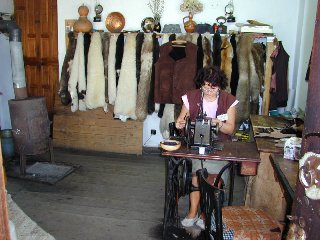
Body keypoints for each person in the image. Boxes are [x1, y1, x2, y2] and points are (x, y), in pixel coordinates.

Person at [175, 66, 238, 229]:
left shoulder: (228, 100)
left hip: (220, 145)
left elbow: (230, 129)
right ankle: (193, 211)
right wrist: (180, 123)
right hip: (196, 144)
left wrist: (218, 124)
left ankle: (206, 213)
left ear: (220, 85)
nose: (209, 91)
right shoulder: (191, 97)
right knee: (197, 173)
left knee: (215, 178)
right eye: (205, 86)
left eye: (213, 87)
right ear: (201, 84)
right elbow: (181, 121)